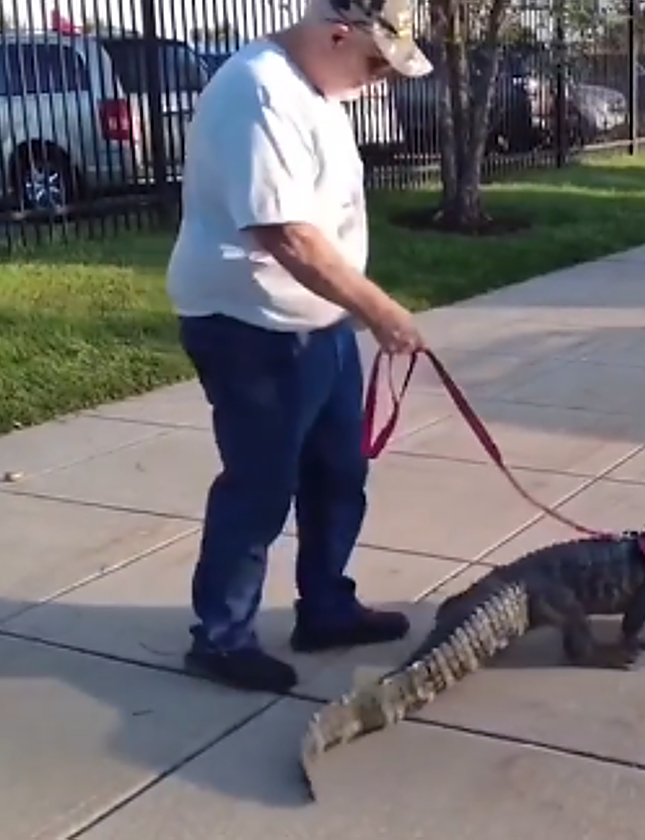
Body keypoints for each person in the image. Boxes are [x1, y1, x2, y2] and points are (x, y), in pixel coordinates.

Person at [164, 0, 432, 694]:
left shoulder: (317, 86)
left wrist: (351, 309)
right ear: (336, 34)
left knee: (339, 474)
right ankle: (220, 638)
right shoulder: (260, 90)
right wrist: (381, 310)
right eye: (375, 63)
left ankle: (326, 609)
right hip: (252, 329)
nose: (379, 80)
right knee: (260, 488)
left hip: (318, 325)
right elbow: (284, 233)